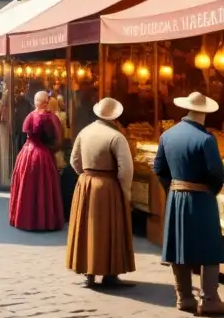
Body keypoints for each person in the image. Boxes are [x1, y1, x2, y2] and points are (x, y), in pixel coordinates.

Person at [153, 91, 224, 316]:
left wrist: (172, 188)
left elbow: (159, 169)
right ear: (206, 113)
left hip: (176, 196)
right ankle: (209, 299)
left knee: (178, 246)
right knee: (209, 247)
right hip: (201, 196)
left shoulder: (167, 135)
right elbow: (217, 173)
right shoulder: (206, 138)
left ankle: (184, 297)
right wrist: (211, 191)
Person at [65, 97, 135, 287]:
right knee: (109, 229)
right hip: (108, 185)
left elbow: (74, 160)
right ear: (115, 117)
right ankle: (110, 273)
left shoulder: (84, 132)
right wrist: (125, 191)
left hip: (86, 183)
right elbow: (126, 169)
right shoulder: (116, 136)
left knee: (87, 229)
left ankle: (88, 272)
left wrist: (85, 176)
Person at [10, 91, 63, 232]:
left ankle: (24, 218)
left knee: (27, 186)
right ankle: (44, 219)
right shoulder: (50, 117)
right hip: (43, 155)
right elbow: (56, 138)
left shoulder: (30, 116)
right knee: (44, 186)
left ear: (35, 102)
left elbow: (26, 132)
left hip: (27, 153)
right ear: (47, 101)